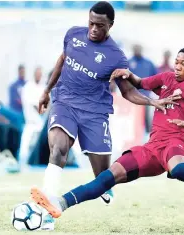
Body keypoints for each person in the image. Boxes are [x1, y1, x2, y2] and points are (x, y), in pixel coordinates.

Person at [31, 47, 184, 220]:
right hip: (151, 147)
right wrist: (127, 74)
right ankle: (61, 203)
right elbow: (141, 83)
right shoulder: (167, 78)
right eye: (177, 62)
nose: (178, 67)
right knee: (109, 175)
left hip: (175, 143)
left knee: (178, 170)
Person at [37, 1, 171, 207]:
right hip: (64, 102)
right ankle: (46, 204)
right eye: (91, 23)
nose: (93, 29)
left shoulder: (116, 56)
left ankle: (104, 187)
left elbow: (128, 92)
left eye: (100, 25)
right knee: (58, 150)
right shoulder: (73, 34)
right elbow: (62, 60)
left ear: (111, 25)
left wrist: (153, 102)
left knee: (103, 178)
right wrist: (46, 90)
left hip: (94, 113)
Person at [19, 67, 45, 168]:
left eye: (40, 74)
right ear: (34, 74)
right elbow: (35, 105)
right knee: (25, 144)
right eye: (37, 73)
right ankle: (22, 164)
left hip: (41, 123)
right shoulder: (28, 87)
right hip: (31, 122)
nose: (39, 76)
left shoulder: (43, 87)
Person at [129, 44, 158, 132]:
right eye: (135, 49)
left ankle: (147, 133)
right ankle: (133, 132)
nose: (137, 50)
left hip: (145, 95)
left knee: (145, 116)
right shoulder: (128, 62)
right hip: (131, 94)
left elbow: (156, 77)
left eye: (138, 48)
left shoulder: (148, 63)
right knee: (132, 116)